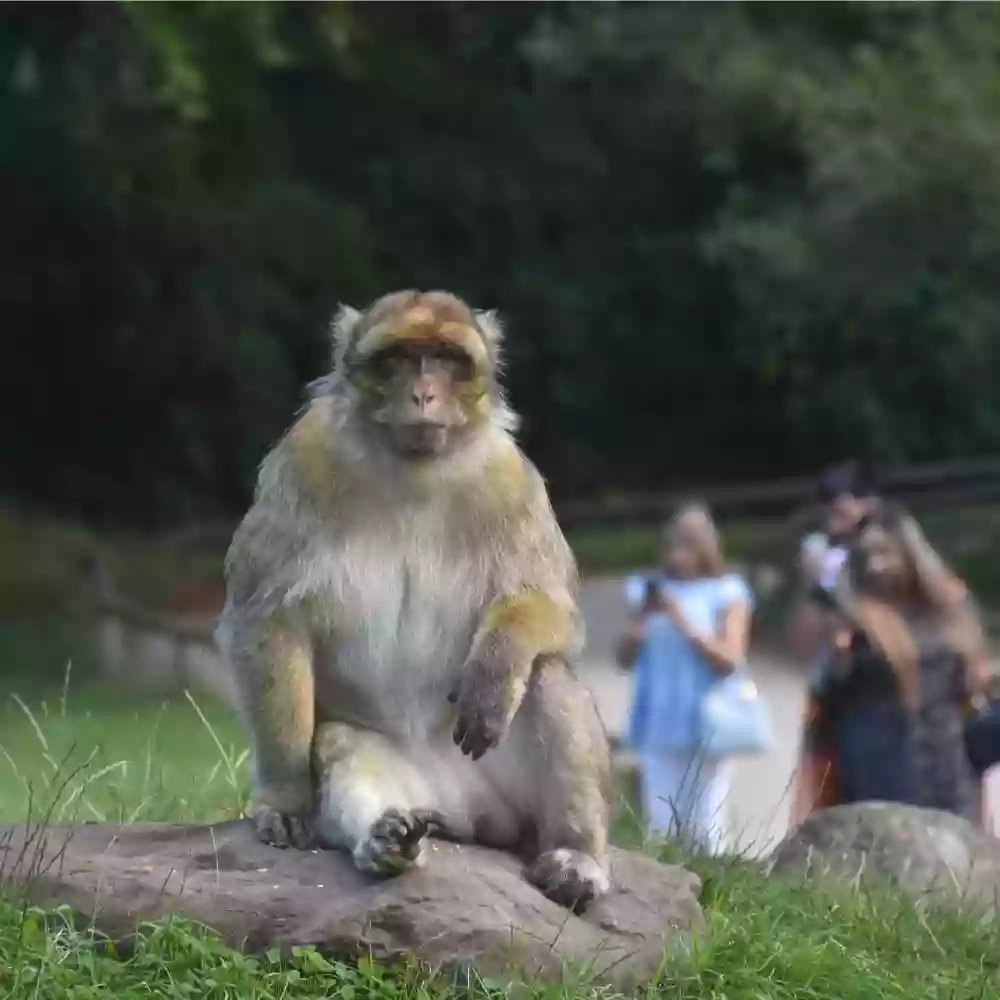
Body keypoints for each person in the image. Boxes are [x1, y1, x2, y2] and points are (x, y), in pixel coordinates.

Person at [790, 503, 993, 826]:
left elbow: (974, 693)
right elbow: (818, 672)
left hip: (951, 776)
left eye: (885, 554)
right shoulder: (855, 620)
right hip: (882, 779)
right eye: (866, 556)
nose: (876, 565)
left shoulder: (949, 613)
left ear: (911, 555)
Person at [616, 503, 755, 854]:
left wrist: (683, 621)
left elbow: (730, 659)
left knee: (705, 822)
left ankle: (715, 894)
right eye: (673, 545)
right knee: (660, 823)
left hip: (706, 716)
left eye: (688, 546)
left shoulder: (727, 592)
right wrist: (639, 627)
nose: (679, 555)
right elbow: (624, 659)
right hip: (657, 718)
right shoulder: (648, 591)